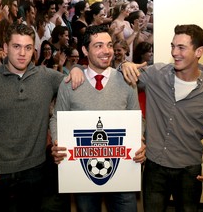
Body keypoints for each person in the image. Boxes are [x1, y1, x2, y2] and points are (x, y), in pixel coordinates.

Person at [0, 22, 84, 212]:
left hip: (34, 174)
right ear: (5, 48)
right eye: (16, 46)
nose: (22, 53)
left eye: (28, 47)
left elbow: (85, 86)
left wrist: (77, 70)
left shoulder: (47, 78)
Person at [121, 24, 203, 212]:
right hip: (154, 169)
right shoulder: (156, 75)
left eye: (181, 47)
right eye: (173, 46)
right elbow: (117, 81)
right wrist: (124, 65)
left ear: (199, 51)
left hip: (189, 173)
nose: (174, 52)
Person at [50, 25, 146, 212]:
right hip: (82, 170)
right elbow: (56, 118)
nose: (107, 51)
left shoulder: (127, 80)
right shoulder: (70, 83)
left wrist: (139, 140)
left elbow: (137, 118)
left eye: (109, 45)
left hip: (123, 170)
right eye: (98, 46)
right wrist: (57, 142)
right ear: (85, 50)